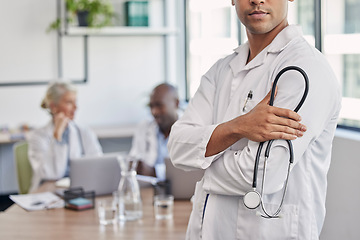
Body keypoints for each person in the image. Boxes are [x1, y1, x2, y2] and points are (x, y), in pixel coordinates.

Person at [168, 0, 341, 239]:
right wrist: (238, 127)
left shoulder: (305, 69)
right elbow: (177, 146)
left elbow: (261, 175)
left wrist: (203, 159)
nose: (257, 0)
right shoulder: (221, 70)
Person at [27, 81, 103, 192]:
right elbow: (50, 174)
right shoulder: (38, 136)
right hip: (47, 191)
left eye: (75, 102)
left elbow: (98, 164)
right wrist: (57, 136)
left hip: (79, 189)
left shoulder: (84, 132)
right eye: (69, 102)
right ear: (53, 106)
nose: (76, 107)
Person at [129, 83, 180, 180]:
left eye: (159, 105)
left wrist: (154, 171)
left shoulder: (190, 129)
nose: (154, 112)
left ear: (176, 103)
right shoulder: (144, 128)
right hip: (148, 189)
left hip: (179, 189)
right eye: (151, 106)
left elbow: (185, 169)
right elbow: (134, 160)